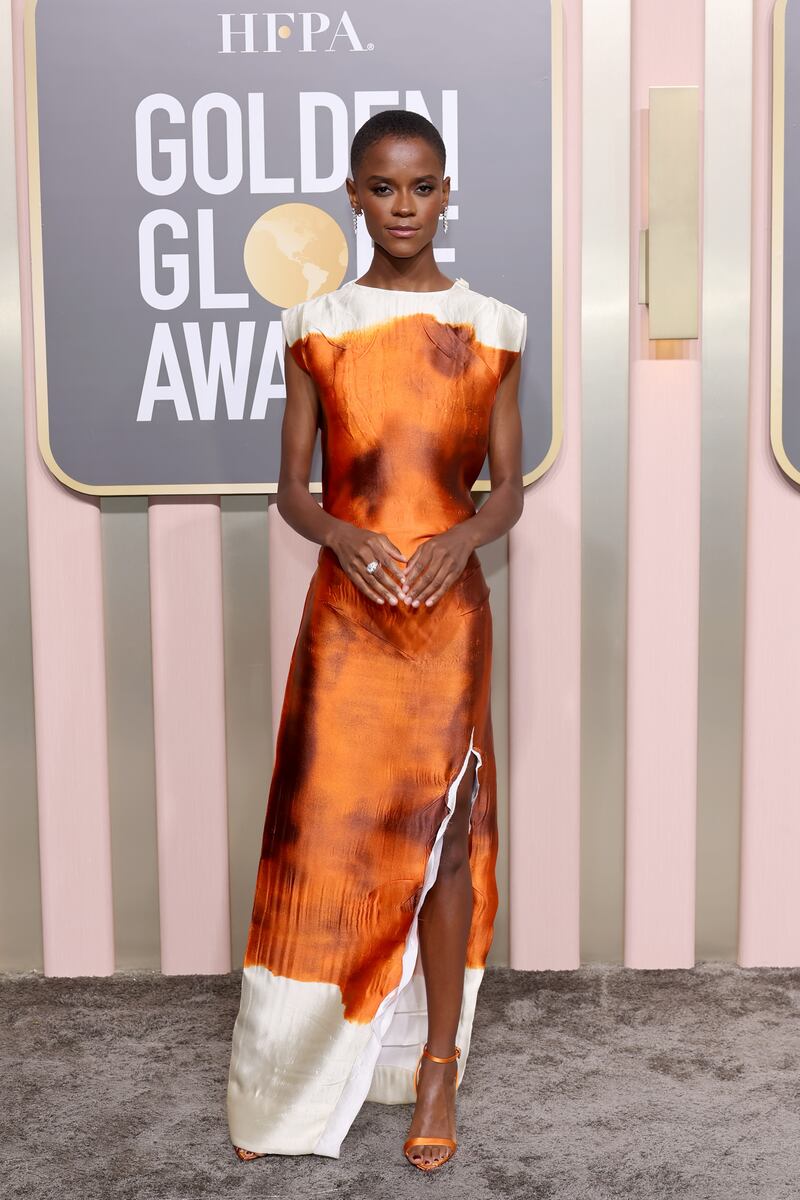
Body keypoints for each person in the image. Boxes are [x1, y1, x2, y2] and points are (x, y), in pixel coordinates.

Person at [226, 108, 527, 1172]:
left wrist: (463, 540)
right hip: (347, 622)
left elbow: (503, 493)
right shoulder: (313, 323)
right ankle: (293, 1076)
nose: (404, 206)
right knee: (326, 838)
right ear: (352, 194)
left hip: (446, 619)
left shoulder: (494, 325)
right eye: (383, 188)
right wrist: (342, 533)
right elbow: (290, 492)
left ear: (447, 193)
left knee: (445, 836)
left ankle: (432, 1064)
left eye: (422, 186)